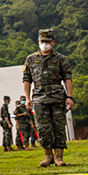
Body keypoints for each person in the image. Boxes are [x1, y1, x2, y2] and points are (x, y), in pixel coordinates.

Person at [23, 28, 74, 166]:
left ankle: (58, 157)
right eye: (42, 41)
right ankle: (47, 156)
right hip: (39, 98)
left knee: (58, 127)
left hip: (58, 97)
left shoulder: (60, 59)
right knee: (42, 128)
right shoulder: (31, 59)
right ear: (38, 42)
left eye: (47, 41)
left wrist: (69, 96)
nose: (44, 44)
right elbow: (27, 79)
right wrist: (28, 98)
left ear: (53, 42)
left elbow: (67, 78)